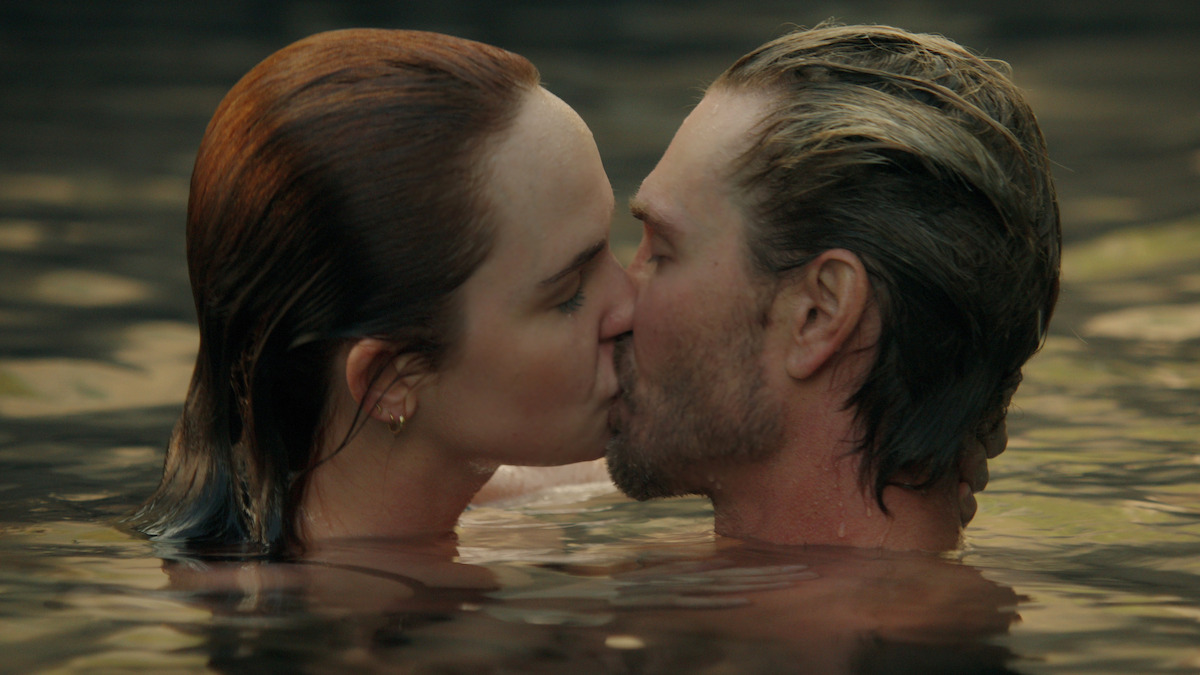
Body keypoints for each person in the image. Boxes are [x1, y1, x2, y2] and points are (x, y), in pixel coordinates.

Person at [131, 28, 633, 554]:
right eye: (571, 292)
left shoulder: (480, 501)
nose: (633, 303)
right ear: (388, 381)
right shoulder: (318, 621)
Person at [607, 23, 1061, 551]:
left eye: (661, 254)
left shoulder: (765, 625)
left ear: (818, 313)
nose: (617, 301)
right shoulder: (797, 603)